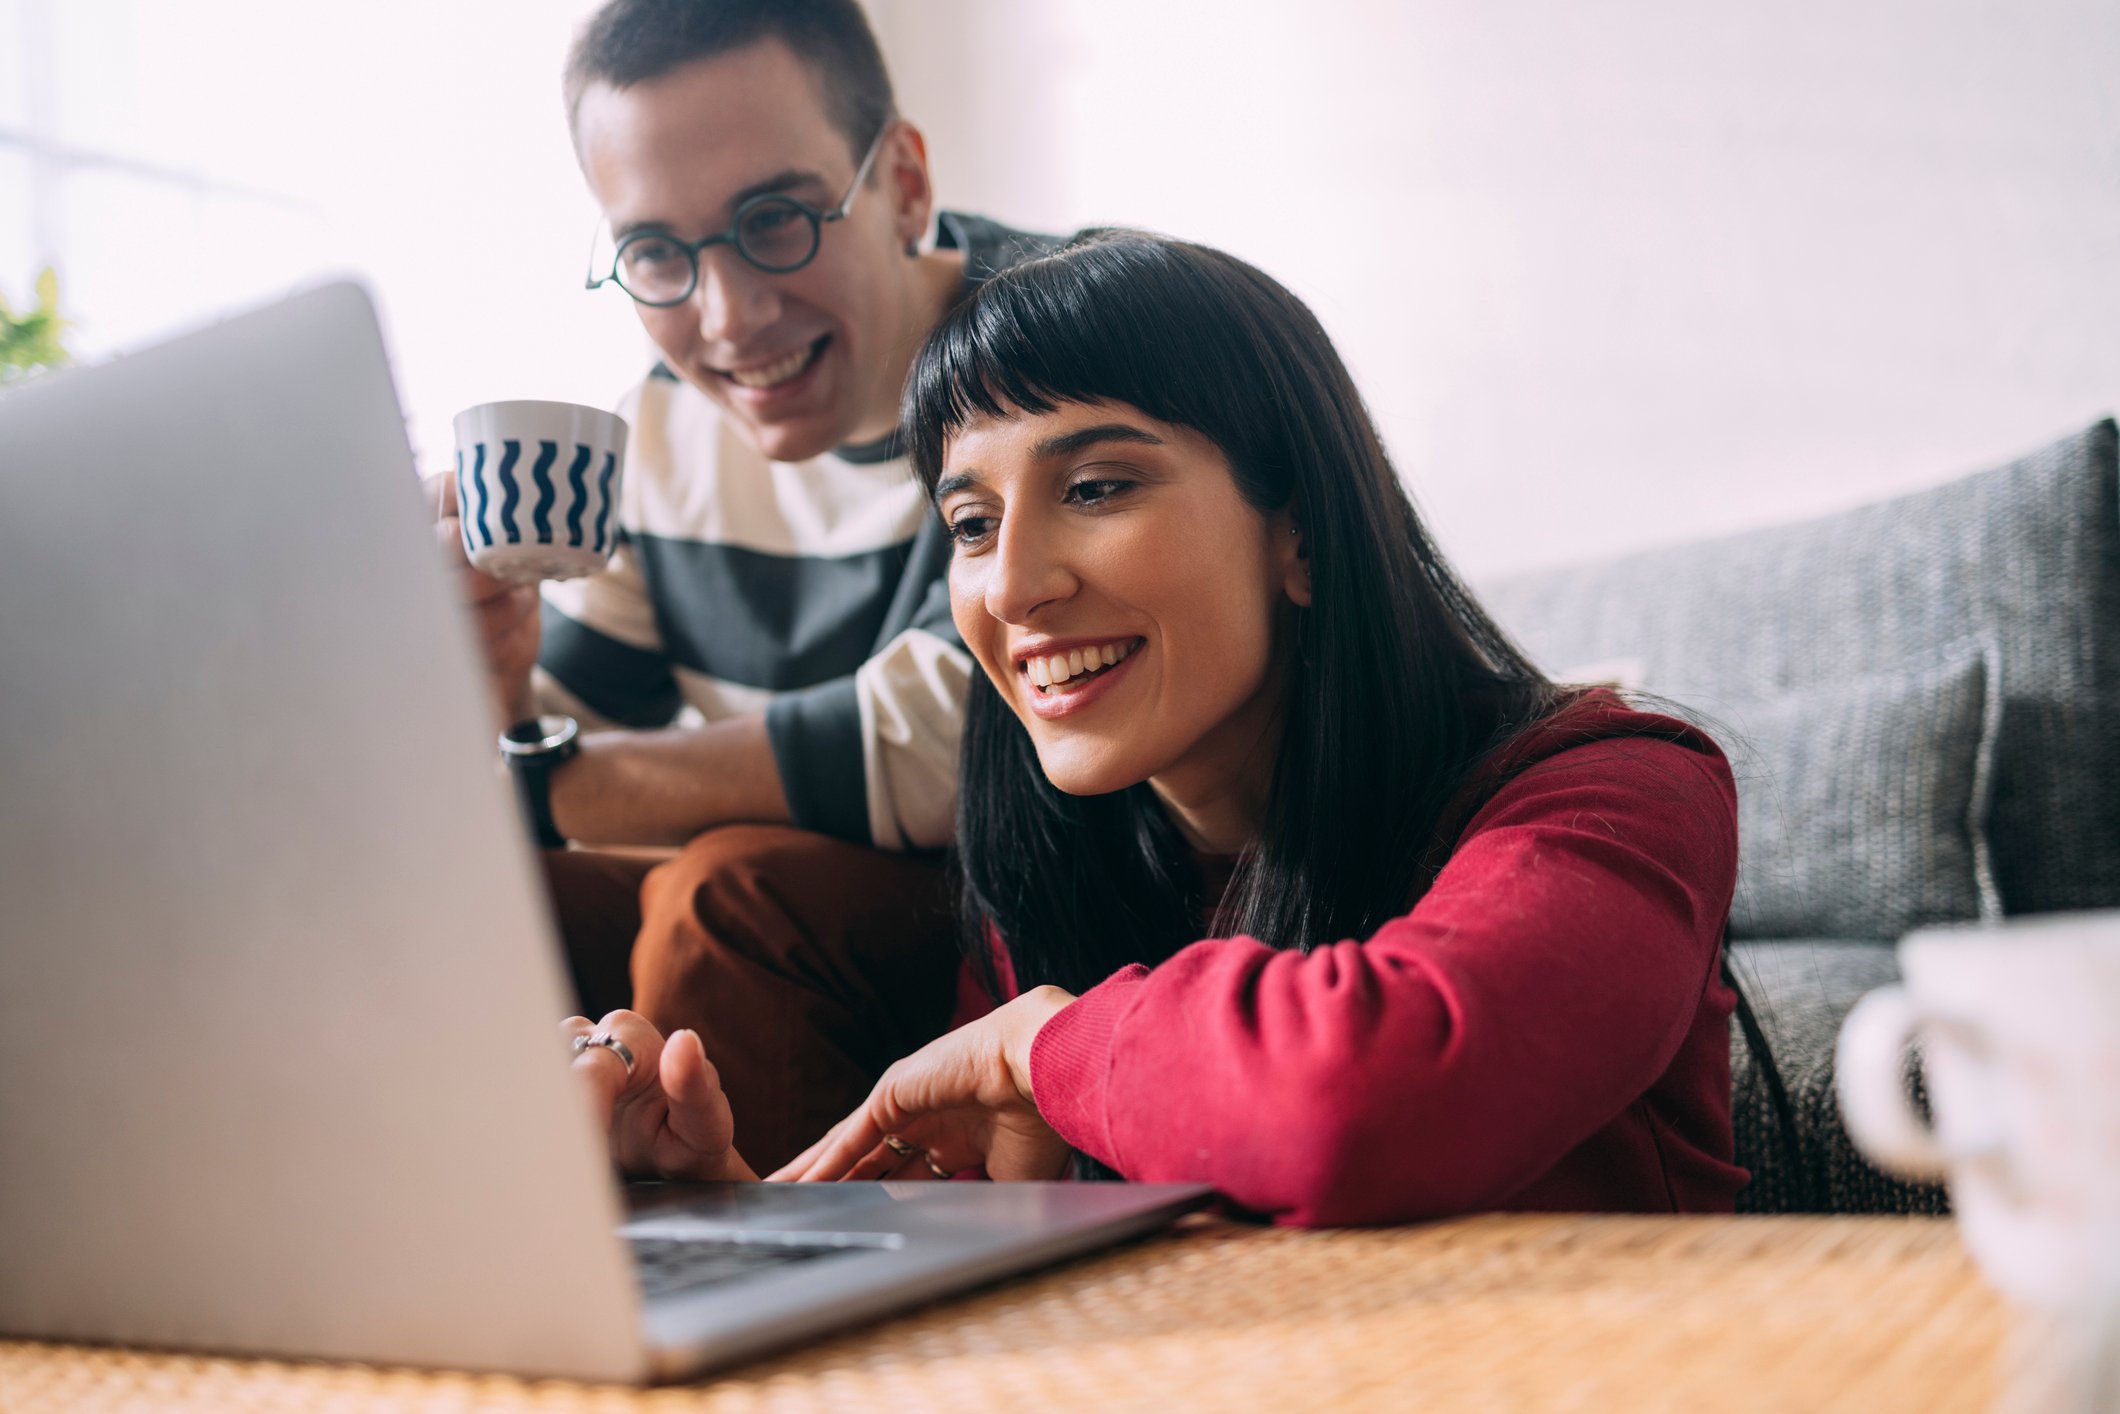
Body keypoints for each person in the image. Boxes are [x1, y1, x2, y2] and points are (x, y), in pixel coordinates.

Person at [562, 230, 1750, 1225]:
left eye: (1094, 489)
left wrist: (1047, 1047)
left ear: (1300, 532)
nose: (1012, 584)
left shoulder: (1618, 789)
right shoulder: (1059, 867)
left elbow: (1358, 1105)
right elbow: (1021, 1275)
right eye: (969, 524)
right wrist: (733, 1216)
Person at [430, 0, 1058, 1172]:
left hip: (1026, 908)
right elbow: (578, 753)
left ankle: (791, 1285)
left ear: (904, 185)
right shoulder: (656, 433)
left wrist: (535, 783)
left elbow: (932, 756)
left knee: (723, 899)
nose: (727, 317)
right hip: (807, 932)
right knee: (505, 902)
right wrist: (503, 688)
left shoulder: (1043, 340)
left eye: (773, 218)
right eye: (657, 253)